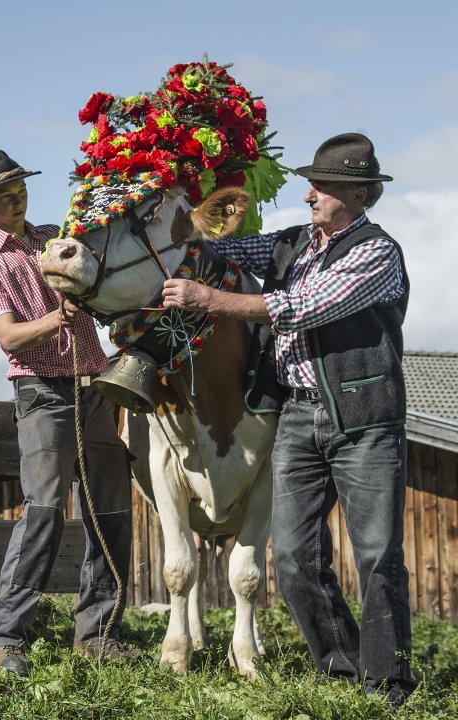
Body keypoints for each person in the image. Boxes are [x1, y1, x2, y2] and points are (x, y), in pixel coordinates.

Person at [161, 133, 415, 705]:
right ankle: (343, 668)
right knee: (296, 557)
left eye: (322, 186)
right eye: (311, 184)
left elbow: (298, 309)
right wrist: (189, 213)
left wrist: (208, 299)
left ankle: (390, 682)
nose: (309, 194)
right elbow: (228, 249)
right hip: (298, 416)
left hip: (363, 419)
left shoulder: (376, 253)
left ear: (358, 194)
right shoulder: (295, 243)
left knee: (376, 554)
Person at [0, 150, 134, 676]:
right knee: (41, 513)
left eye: (22, 190)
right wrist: (59, 318)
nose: (18, 200)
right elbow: (9, 336)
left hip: (94, 389)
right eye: (6, 195)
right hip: (41, 394)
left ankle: (98, 634)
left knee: (112, 513)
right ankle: (5, 640)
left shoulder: (54, 239)